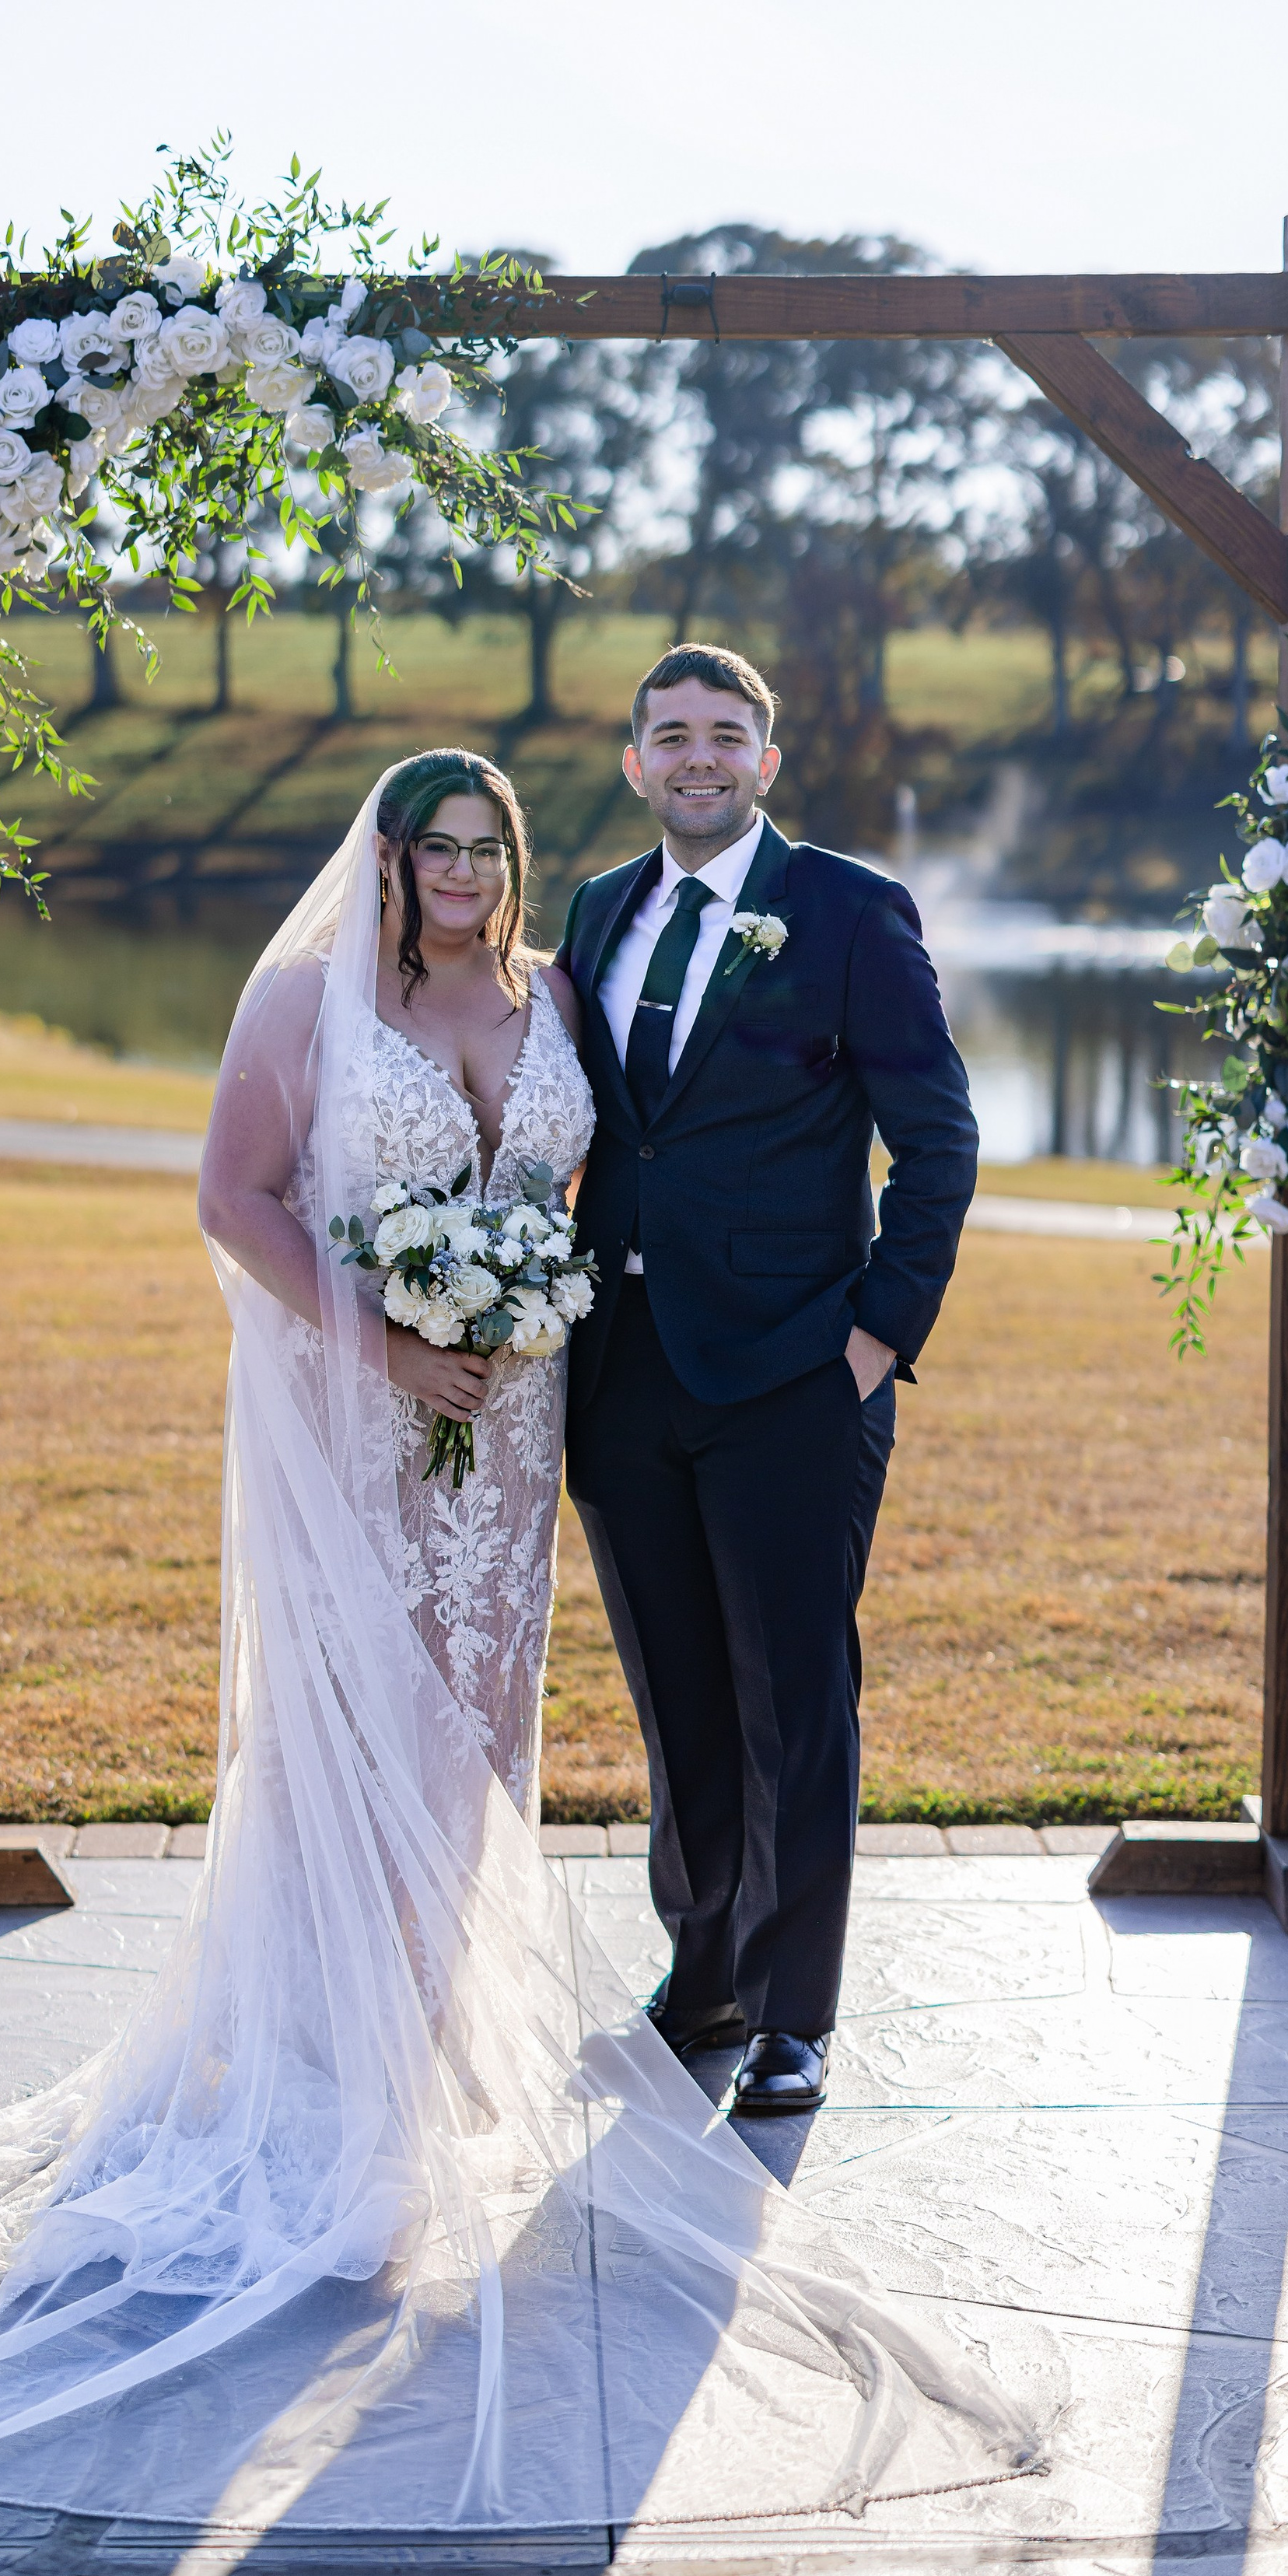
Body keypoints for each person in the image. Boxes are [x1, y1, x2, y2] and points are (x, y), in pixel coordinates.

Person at [0, 749, 1025, 2532]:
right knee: (349, 1730)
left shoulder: (559, 986)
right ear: (387, 858)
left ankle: (435, 2052)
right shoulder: (306, 999)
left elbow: (632, 1180)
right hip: (364, 1429)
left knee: (468, 1749)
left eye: (480, 845)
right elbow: (236, 1202)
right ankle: (325, 2093)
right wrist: (387, 1342)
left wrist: (563, 1320)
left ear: (515, 860)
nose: (456, 868)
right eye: (430, 845)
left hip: (515, 1435)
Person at [559, 646, 978, 2120]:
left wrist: (876, 1338)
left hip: (798, 1372)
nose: (697, 757)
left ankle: (797, 2010)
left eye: (725, 735)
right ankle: (710, 1968)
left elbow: (940, 1141)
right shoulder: (599, 912)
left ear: (766, 762)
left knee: (797, 1694)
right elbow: (616, 1139)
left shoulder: (853, 912)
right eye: (669, 733)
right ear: (633, 758)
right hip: (619, 1375)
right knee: (678, 1697)